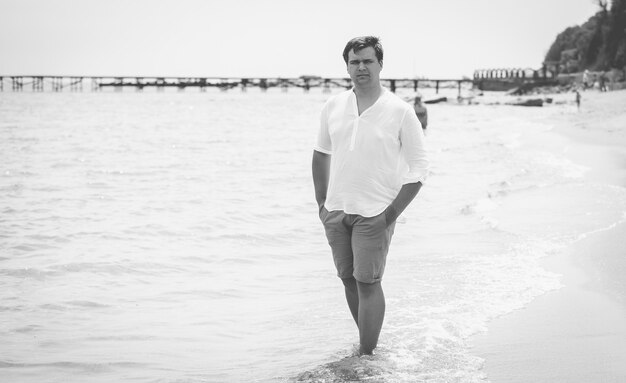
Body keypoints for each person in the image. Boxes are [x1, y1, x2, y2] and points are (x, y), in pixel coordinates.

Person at [311, 36, 429, 355]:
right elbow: (321, 154)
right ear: (347, 66)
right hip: (336, 211)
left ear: (380, 65)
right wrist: (322, 205)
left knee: (368, 283)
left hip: (375, 213)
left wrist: (389, 216)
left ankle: (366, 356)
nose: (361, 67)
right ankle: (368, 346)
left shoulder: (400, 111)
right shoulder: (333, 106)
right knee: (348, 279)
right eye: (354, 61)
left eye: (367, 61)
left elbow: (420, 169)